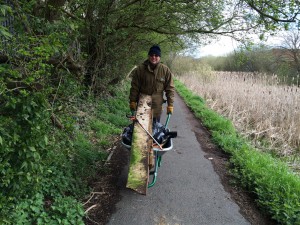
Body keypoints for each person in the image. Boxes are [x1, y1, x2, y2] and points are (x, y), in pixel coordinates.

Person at [129, 45, 175, 123]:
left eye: (156, 55)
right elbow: (135, 87)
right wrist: (132, 101)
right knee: (140, 131)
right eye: (152, 55)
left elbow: (170, 89)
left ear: (159, 57)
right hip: (142, 106)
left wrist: (170, 105)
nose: (154, 57)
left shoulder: (165, 70)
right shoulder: (140, 69)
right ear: (148, 56)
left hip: (156, 108)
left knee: (155, 131)